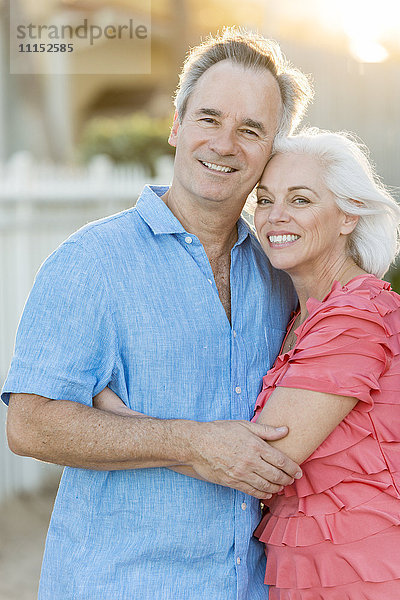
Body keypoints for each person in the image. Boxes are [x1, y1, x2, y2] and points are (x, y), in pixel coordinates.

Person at [2, 29, 312, 599]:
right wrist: (192, 443)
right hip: (122, 585)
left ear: (272, 151)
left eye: (251, 130)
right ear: (176, 125)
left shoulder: (279, 275)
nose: (224, 144)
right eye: (208, 119)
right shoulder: (91, 263)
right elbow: (28, 424)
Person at [250, 129, 400, 598]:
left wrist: (121, 420)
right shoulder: (306, 315)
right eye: (265, 199)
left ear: (348, 216)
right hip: (310, 570)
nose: (276, 217)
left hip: (361, 574)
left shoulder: (355, 316)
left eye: (300, 200)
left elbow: (266, 457)